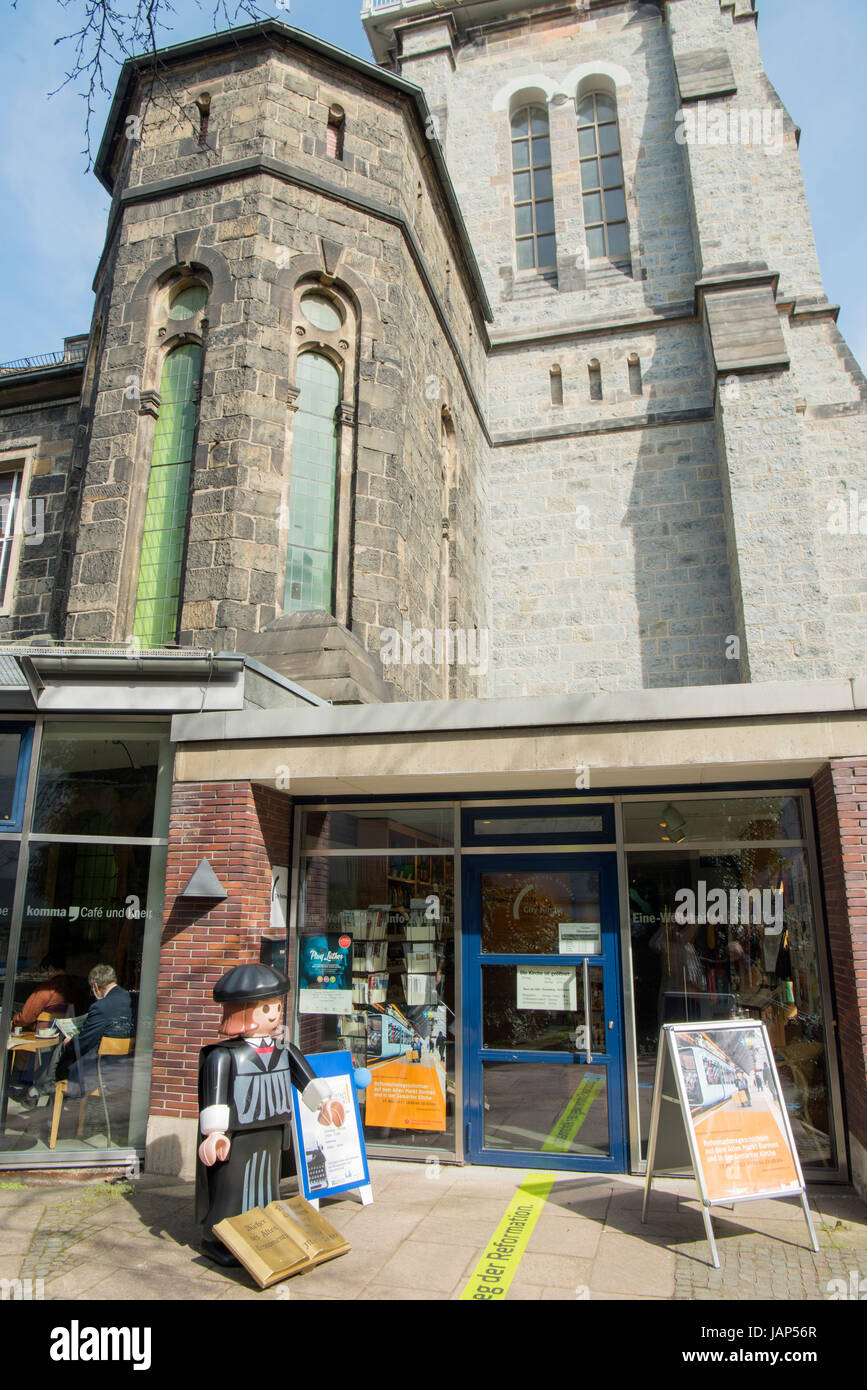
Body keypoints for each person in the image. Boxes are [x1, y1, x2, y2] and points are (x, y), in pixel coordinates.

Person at [196, 963, 345, 1266]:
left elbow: (307, 1081)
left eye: (277, 1006)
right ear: (242, 1012)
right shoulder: (224, 1056)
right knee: (232, 1185)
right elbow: (215, 1097)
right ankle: (223, 1236)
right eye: (266, 1008)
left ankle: (264, 1233)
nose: (275, 1014)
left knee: (268, 1184)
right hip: (238, 1135)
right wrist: (214, 1133)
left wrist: (324, 1103)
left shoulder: (284, 1050)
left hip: (274, 1130)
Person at [55, 964, 135, 1094]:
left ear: (96, 986)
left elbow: (84, 1043)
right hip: (124, 1067)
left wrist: (69, 1043)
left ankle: (47, 1094)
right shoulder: (132, 1000)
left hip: (100, 1069)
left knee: (61, 1057)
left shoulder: (100, 1007)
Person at [12, 953, 86, 1029]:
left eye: (43, 971)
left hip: (43, 1033)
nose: (42, 975)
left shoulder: (47, 988)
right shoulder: (76, 987)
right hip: (68, 1033)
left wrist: (14, 1018)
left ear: (50, 968)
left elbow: (25, 1019)